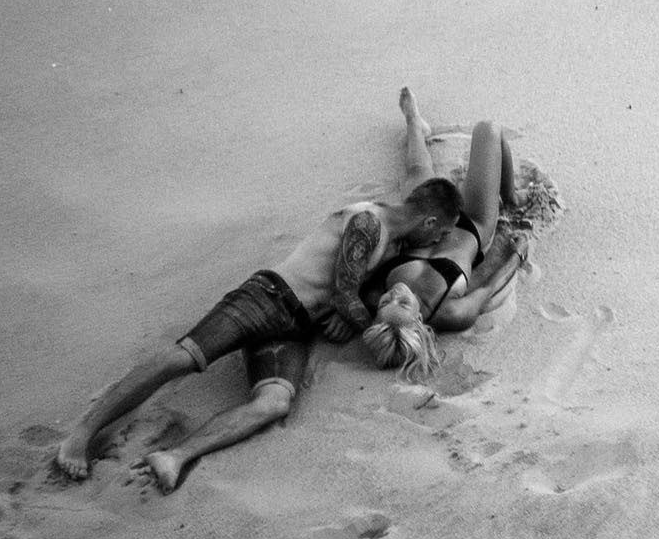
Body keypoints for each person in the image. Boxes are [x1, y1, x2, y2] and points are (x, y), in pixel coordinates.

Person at [52, 94, 467, 492]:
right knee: (183, 358)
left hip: (294, 327)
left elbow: (419, 169)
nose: (439, 238)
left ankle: (175, 456)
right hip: (266, 297)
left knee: (274, 404)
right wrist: (375, 322)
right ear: (429, 223)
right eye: (442, 232)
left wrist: (414, 123)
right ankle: (82, 433)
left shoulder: (397, 235)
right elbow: (343, 292)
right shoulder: (368, 225)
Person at [334, 90, 530, 377]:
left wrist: (343, 313)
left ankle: (414, 120)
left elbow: (350, 280)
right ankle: (511, 198)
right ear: (419, 321)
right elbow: (488, 290)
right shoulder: (452, 314)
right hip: (473, 224)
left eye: (387, 302)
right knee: (488, 130)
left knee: (416, 168)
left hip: (427, 223)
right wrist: (518, 255)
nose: (396, 293)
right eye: (403, 303)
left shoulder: (375, 299)